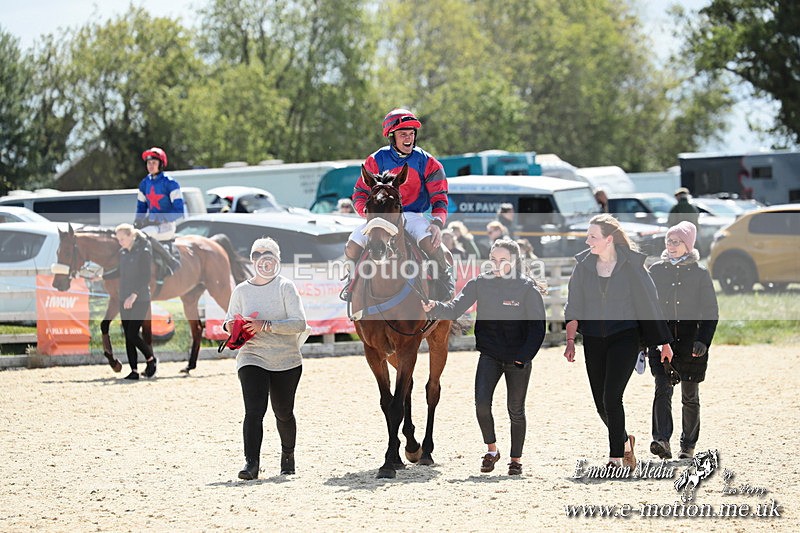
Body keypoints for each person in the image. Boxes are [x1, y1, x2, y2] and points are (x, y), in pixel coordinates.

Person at [422, 238, 547, 475]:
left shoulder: (527, 288)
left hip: (518, 359)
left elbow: (537, 328)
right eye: (493, 259)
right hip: (489, 354)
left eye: (502, 260)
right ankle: (492, 451)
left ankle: (516, 460)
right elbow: (455, 308)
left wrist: (524, 357)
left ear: (514, 261)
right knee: (481, 405)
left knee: (516, 410)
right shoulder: (480, 283)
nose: (496, 264)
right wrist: (434, 306)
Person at [563, 214, 673, 469]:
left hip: (625, 337)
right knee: (600, 402)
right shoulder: (583, 266)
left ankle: (615, 458)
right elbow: (574, 304)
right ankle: (624, 441)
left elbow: (650, 304)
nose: (588, 241)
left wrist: (663, 342)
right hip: (593, 339)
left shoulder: (633, 266)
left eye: (593, 236)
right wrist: (570, 340)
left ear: (608, 239)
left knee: (612, 396)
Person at [345, 108, 453, 300]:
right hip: (380, 217)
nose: (408, 138)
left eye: (411, 134)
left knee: (431, 244)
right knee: (352, 245)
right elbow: (360, 194)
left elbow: (440, 197)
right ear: (391, 136)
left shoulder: (428, 162)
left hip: (413, 216)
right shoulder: (375, 159)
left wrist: (437, 224)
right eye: (403, 134)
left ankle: (446, 285)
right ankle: (351, 284)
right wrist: (370, 216)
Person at [225, 237, 308, 480]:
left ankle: (288, 455)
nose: (261, 258)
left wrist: (266, 325)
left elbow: (299, 323)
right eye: (256, 254)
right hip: (252, 356)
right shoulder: (241, 290)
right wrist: (231, 325)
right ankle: (251, 464)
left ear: (276, 259)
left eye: (267, 253)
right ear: (252, 260)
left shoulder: (285, 287)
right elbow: (229, 320)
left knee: (283, 412)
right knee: (254, 409)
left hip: (286, 359)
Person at [647, 221, 719, 460]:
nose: (671, 245)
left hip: (691, 345)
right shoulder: (656, 271)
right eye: (668, 241)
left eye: (676, 242)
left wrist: (704, 340)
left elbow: (710, 311)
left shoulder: (699, 274)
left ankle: (687, 445)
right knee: (662, 390)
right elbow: (647, 307)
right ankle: (661, 440)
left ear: (687, 245)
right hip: (662, 342)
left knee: (690, 396)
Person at [114, 223, 157, 381]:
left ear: (131, 236)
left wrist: (134, 295)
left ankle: (150, 359)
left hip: (140, 298)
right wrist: (100, 276)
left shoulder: (144, 252)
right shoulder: (122, 253)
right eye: (118, 239)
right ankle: (133, 370)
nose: (120, 242)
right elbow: (119, 272)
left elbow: (145, 277)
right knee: (128, 335)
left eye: (122, 238)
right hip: (124, 298)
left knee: (132, 333)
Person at [134, 147, 183, 276]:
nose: (150, 165)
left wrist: (159, 219)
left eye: (154, 163)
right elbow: (141, 208)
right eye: (148, 163)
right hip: (151, 225)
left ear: (161, 165)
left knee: (143, 235)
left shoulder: (171, 183)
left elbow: (179, 211)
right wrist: (137, 221)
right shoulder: (144, 184)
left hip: (166, 226)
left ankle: (171, 262)